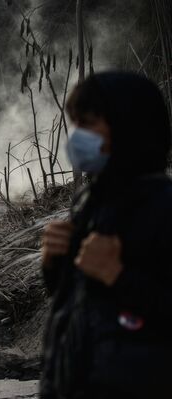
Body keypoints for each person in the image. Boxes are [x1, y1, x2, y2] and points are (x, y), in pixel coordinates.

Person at [40, 72, 172, 399]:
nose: (77, 138)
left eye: (88, 124)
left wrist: (119, 276)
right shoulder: (89, 202)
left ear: (129, 128)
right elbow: (77, 300)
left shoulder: (164, 208)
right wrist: (53, 265)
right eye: (76, 125)